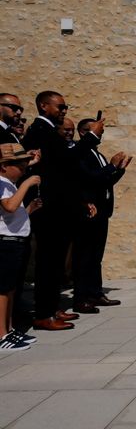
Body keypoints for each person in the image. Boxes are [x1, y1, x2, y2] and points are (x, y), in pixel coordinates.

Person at [22, 91, 104, 330]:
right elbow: (66, 160)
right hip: (50, 209)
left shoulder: (47, 131)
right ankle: (44, 313)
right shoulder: (41, 131)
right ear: (43, 105)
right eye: (60, 106)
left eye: (66, 106)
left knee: (57, 263)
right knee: (48, 262)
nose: (64, 110)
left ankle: (52, 307)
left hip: (61, 208)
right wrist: (90, 137)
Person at [71, 118, 131, 310]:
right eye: (97, 131)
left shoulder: (97, 154)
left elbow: (103, 181)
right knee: (84, 256)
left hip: (102, 211)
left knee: (96, 256)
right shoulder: (79, 155)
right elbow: (89, 179)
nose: (101, 135)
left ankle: (96, 293)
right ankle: (82, 297)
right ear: (83, 133)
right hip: (88, 211)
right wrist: (112, 166)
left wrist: (119, 170)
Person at [0, 143, 42, 351]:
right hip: (5, 243)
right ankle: (1, 334)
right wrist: (27, 183)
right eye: (18, 165)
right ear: (4, 166)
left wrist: (30, 209)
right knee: (3, 290)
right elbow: (9, 206)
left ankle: (8, 329)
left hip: (14, 241)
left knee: (11, 289)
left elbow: (14, 215)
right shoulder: (1, 183)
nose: (23, 169)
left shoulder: (8, 182)